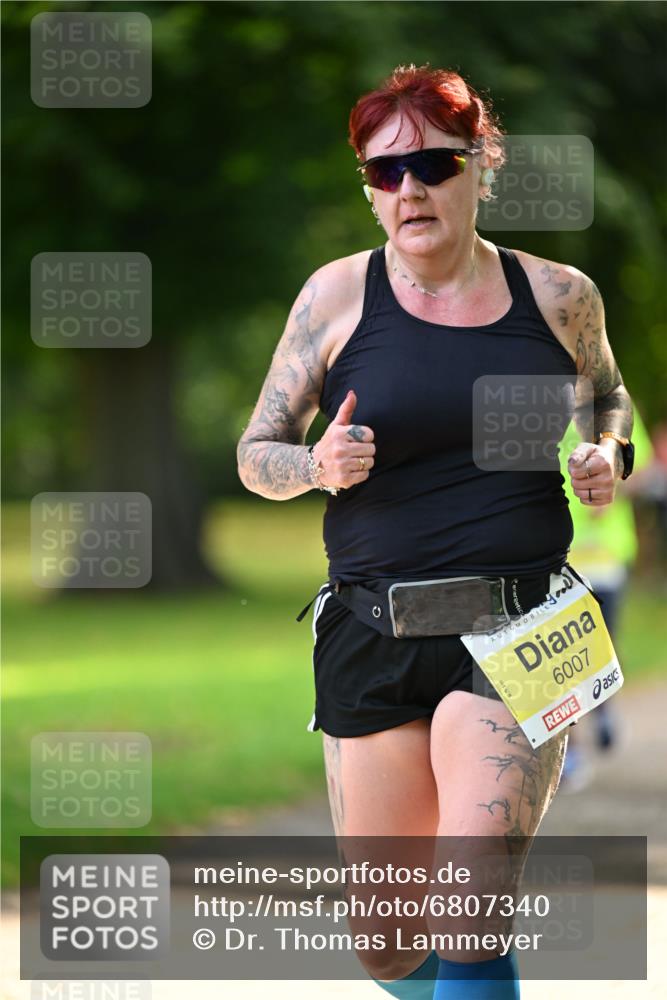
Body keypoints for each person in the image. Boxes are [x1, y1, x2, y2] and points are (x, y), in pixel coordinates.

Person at [237, 64, 635, 999]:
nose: (409, 188)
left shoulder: (558, 295)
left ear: (481, 165)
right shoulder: (334, 299)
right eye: (385, 172)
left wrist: (606, 454)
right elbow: (255, 453)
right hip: (372, 629)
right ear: (370, 190)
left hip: (522, 624)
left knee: (470, 905)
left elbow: (608, 395)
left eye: (433, 164)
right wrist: (314, 467)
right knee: (390, 944)